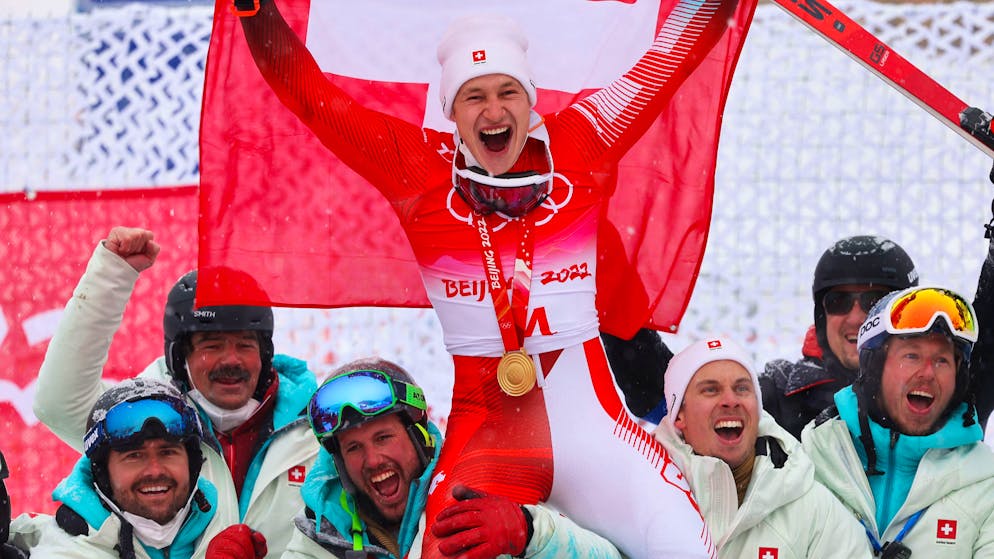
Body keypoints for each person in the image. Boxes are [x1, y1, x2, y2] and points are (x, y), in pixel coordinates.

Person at [235, 3, 748, 557]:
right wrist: (253, 11)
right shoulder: (416, 170)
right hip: (489, 435)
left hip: (599, 433)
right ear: (451, 112)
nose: (493, 110)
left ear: (531, 100)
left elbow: (670, 55)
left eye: (508, 92)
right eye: (473, 97)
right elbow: (307, 92)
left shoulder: (585, 140)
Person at [32, 227, 319, 558]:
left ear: (265, 354)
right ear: (179, 358)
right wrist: (111, 276)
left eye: (245, 344)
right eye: (212, 346)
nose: (231, 360)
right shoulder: (142, 419)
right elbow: (59, 404)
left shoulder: (320, 428)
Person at [237, 357, 620, 559]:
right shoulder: (320, 539)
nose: (372, 460)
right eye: (353, 448)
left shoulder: (475, 496)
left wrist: (531, 532)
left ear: (420, 436)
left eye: (383, 436)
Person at [803, 285, 994, 557]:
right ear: (875, 368)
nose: (927, 373)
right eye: (911, 356)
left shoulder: (986, 485)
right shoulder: (811, 463)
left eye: (942, 360)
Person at [653, 337, 871, 558]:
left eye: (742, 389)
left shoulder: (813, 510)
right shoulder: (644, 494)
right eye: (710, 390)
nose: (730, 400)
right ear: (679, 414)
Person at [31, 379, 237, 558]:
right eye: (134, 456)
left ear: (192, 464)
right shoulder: (67, 551)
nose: (155, 471)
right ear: (103, 473)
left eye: (167, 452)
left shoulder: (224, 531)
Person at [759, 235, 920, 439]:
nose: (856, 318)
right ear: (821, 316)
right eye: (838, 301)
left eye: (875, 301)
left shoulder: (939, 392)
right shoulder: (776, 396)